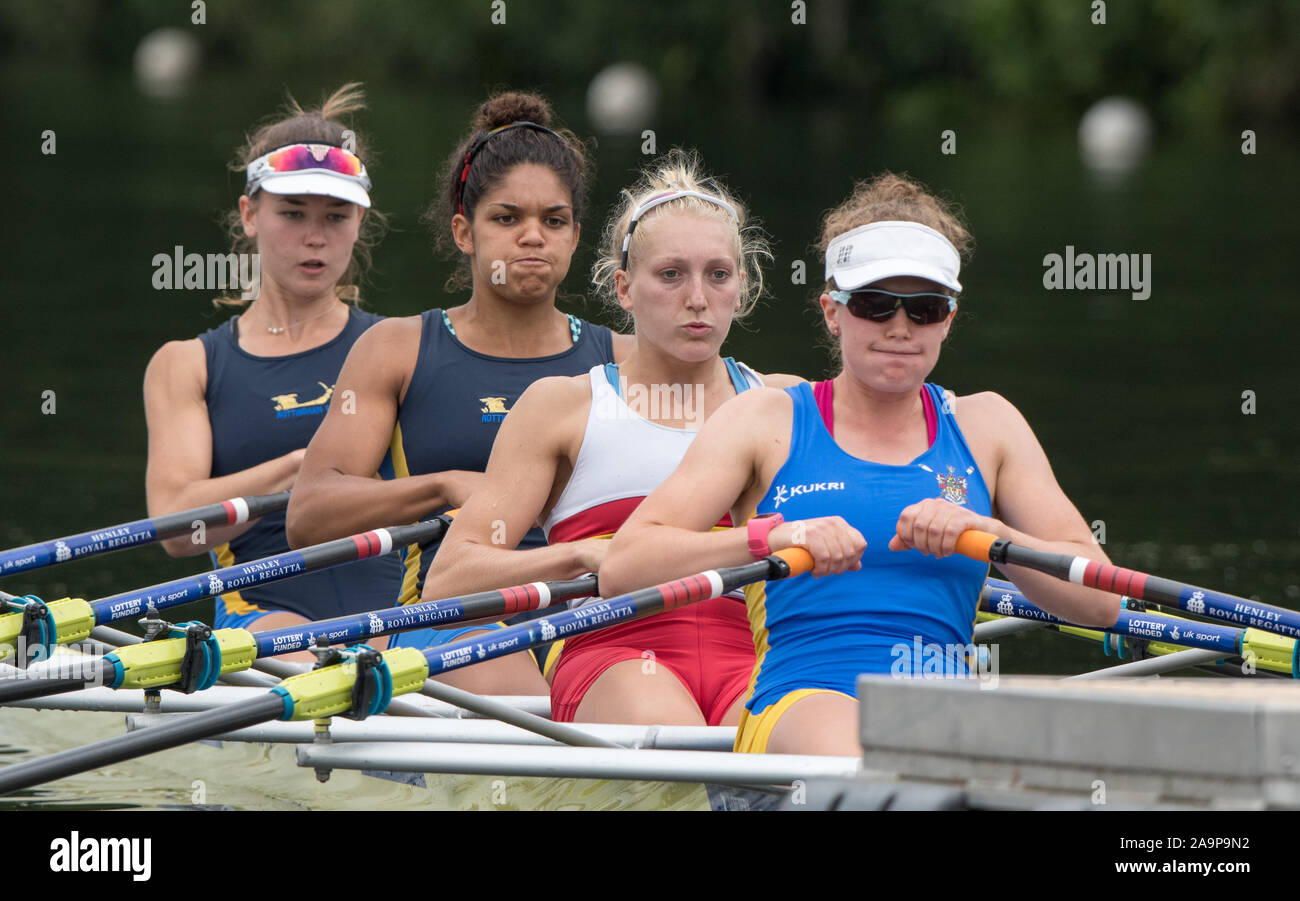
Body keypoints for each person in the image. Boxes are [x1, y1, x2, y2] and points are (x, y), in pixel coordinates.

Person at [601, 173, 1121, 754]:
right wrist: (772, 537)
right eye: (875, 305)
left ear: (949, 317)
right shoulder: (766, 420)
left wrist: (992, 533)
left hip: (948, 708)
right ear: (832, 311)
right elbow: (625, 565)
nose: (900, 328)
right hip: (803, 699)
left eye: (924, 308)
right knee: (874, 759)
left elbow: (1100, 602)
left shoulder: (989, 425)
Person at [421, 150, 802, 725]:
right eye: (670, 274)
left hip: (755, 655)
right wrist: (576, 556)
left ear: (741, 287)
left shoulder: (786, 403)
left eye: (717, 275)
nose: (697, 298)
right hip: (616, 651)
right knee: (675, 745)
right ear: (624, 288)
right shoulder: (564, 406)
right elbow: (449, 581)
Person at [286, 91, 630, 694]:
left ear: (576, 237)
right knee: (488, 652)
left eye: (553, 221)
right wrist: (443, 488)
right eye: (507, 218)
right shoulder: (398, 350)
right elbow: (309, 514)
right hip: (447, 625)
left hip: (583, 622)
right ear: (464, 232)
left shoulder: (623, 360)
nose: (533, 238)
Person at [143, 84, 401, 644]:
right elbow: (175, 529)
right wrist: (304, 468)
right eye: (291, 213)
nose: (314, 237)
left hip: (401, 624)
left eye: (336, 216)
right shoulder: (188, 365)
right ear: (249, 214)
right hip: (262, 623)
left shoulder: (401, 347)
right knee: (297, 643)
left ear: (360, 222)